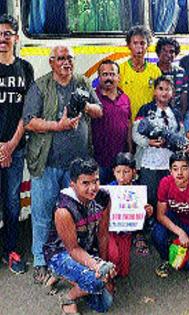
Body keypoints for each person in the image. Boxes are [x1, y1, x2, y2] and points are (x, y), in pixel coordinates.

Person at [23, 45, 103, 283]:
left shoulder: (83, 82)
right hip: (47, 163)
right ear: (51, 63)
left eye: (69, 58)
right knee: (42, 215)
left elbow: (99, 111)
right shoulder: (40, 86)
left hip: (76, 168)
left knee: (74, 216)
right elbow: (29, 122)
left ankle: (72, 258)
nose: (66, 62)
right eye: (60, 59)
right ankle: (40, 262)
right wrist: (57, 126)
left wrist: (86, 105)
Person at [43, 158, 116, 314]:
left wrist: (104, 265)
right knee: (95, 281)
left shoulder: (104, 197)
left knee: (104, 304)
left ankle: (73, 278)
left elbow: (103, 234)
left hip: (86, 247)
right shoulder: (63, 210)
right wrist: (97, 267)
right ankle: (68, 297)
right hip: (61, 252)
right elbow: (73, 249)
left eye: (95, 181)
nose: (93, 188)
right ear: (73, 184)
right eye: (85, 183)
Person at [0, 14, 34, 274]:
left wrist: (10, 146)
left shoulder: (25, 68)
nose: (3, 38)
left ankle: (11, 250)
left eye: (8, 33)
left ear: (16, 37)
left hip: (16, 147)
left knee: (13, 202)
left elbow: (27, 111)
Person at [132, 76, 184, 210]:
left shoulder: (176, 113)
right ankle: (149, 227)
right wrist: (148, 141)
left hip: (169, 164)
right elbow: (135, 134)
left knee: (167, 199)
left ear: (172, 93)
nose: (164, 92)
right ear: (154, 91)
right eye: (161, 89)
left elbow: (181, 135)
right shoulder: (145, 110)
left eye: (168, 89)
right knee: (150, 199)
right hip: (149, 163)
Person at [152, 153, 189, 278]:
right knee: (156, 235)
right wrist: (180, 232)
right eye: (175, 169)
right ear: (170, 171)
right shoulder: (165, 183)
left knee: (187, 265)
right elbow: (160, 215)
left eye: (184, 168)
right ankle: (166, 256)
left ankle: (186, 243)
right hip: (172, 216)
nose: (180, 172)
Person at [107, 152, 153, 276]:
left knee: (123, 271)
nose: (122, 177)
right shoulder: (109, 190)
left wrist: (148, 211)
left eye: (126, 172)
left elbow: (142, 214)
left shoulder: (138, 191)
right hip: (110, 231)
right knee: (113, 257)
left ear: (134, 172)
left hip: (126, 233)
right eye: (118, 172)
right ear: (113, 172)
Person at [92, 60, 132, 184]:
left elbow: (129, 125)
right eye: (105, 74)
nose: (109, 78)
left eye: (112, 74)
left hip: (121, 163)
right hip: (99, 161)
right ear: (99, 78)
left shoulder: (125, 98)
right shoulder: (93, 98)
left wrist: (130, 151)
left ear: (118, 77)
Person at [119, 25, 161, 122]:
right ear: (129, 45)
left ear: (148, 46)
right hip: (126, 122)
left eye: (142, 43)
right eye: (135, 43)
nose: (139, 47)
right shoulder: (120, 70)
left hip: (148, 123)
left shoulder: (155, 71)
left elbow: (159, 99)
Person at [156, 37, 188, 115]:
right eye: (164, 50)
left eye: (172, 51)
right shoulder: (153, 71)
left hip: (174, 115)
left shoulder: (181, 72)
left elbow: (184, 97)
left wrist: (180, 118)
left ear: (176, 54)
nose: (168, 54)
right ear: (158, 52)